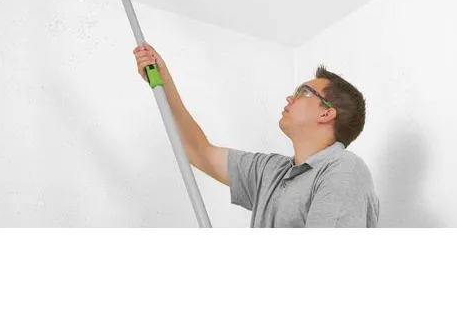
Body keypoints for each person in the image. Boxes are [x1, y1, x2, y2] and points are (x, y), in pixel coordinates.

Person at [133, 43, 380, 228]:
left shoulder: (343, 170)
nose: (290, 98)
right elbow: (200, 152)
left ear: (326, 113)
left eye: (303, 92)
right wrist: (163, 83)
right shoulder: (270, 171)